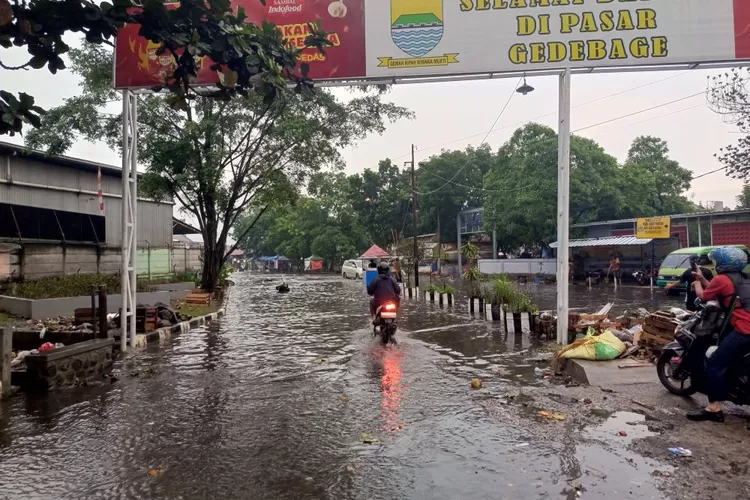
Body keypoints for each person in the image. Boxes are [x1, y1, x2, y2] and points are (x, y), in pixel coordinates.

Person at [688, 246, 750, 423]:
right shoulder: (745, 278)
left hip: (744, 330)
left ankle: (714, 409)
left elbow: (703, 295)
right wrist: (702, 278)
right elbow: (723, 292)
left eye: (716, 262)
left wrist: (697, 281)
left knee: (715, 362)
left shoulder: (722, 278)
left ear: (723, 263)